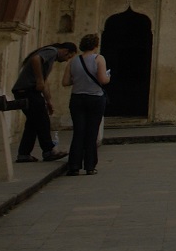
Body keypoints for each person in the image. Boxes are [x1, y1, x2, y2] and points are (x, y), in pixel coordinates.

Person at [11, 41, 76, 163]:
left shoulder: (50, 58)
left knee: (33, 122)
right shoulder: (52, 51)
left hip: (26, 91)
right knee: (42, 120)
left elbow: (45, 81)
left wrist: (48, 100)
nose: (67, 60)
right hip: (28, 90)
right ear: (66, 51)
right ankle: (48, 150)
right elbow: (36, 59)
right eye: (68, 57)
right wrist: (39, 80)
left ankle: (24, 154)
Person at [61, 33, 110, 175]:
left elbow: (65, 82)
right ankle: (89, 166)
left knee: (78, 132)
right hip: (95, 98)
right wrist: (108, 77)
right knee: (92, 132)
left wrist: (78, 80)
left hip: (77, 98)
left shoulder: (73, 61)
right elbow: (102, 79)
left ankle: (74, 166)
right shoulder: (98, 58)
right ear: (95, 45)